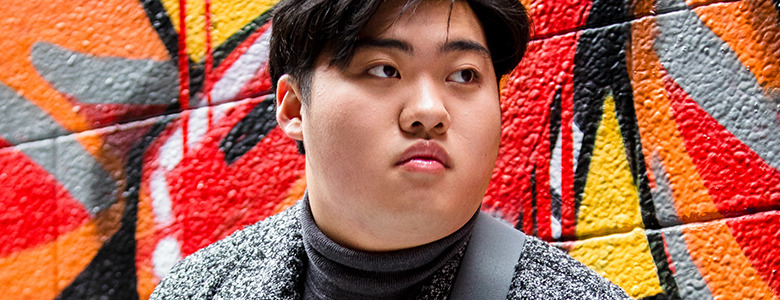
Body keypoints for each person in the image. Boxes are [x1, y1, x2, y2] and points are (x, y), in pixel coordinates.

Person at [151, 0, 631, 299]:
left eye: (464, 75)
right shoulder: (200, 289)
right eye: (383, 69)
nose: (428, 111)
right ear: (295, 107)